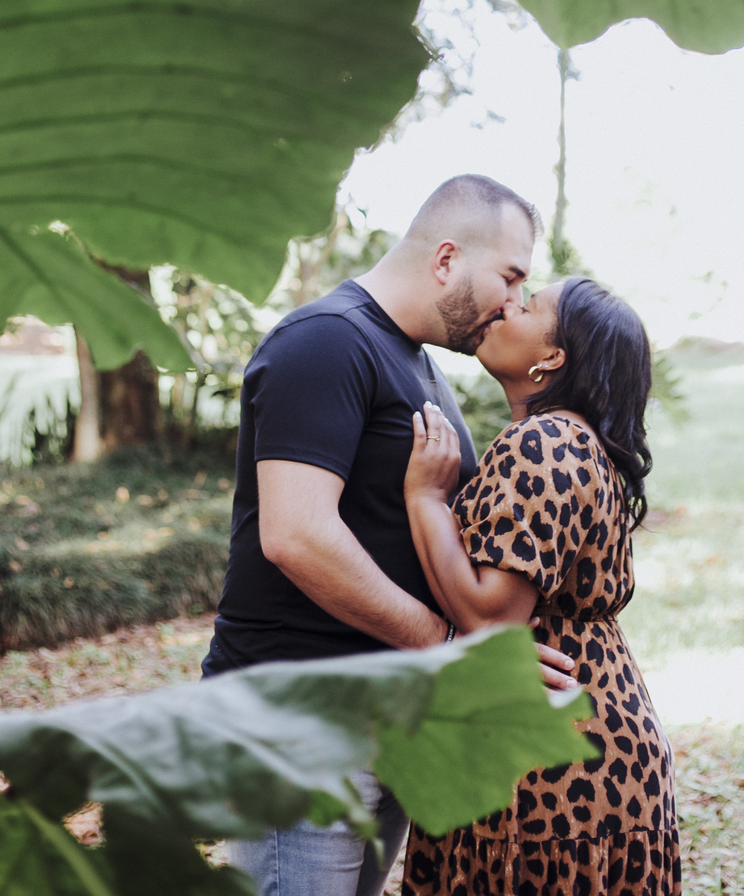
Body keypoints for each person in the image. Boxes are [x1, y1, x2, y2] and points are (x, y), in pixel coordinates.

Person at [202, 174, 579, 896]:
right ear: (446, 259)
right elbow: (296, 534)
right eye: (509, 276)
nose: (513, 301)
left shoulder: (419, 365)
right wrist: (450, 646)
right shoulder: (324, 342)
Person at [401, 276, 682, 896]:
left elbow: (491, 617)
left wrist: (425, 500)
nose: (507, 305)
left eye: (527, 307)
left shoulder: (545, 442)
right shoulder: (578, 442)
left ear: (552, 357)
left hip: (552, 766)